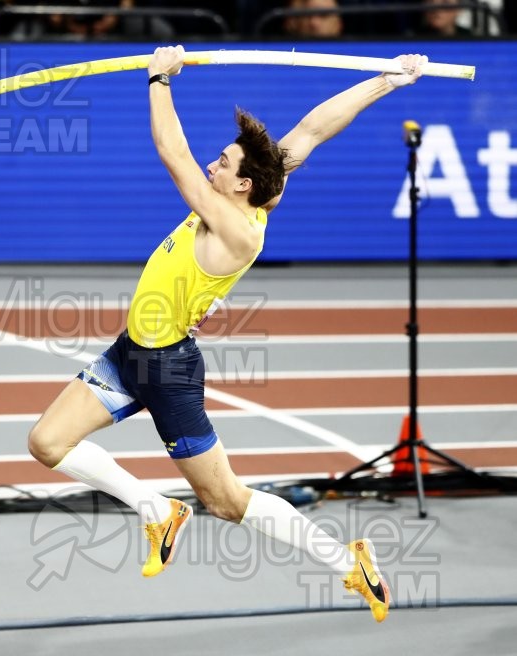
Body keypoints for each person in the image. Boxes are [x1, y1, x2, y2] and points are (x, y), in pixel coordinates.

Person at [29, 45, 428, 623]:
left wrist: (160, 79)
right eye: (217, 158)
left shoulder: (235, 226)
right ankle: (156, 510)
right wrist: (387, 81)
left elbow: (172, 152)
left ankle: (347, 560)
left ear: (242, 186)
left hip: (168, 372)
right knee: (46, 443)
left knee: (224, 501)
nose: (214, 166)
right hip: (131, 353)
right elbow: (314, 127)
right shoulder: (258, 184)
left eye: (223, 163)